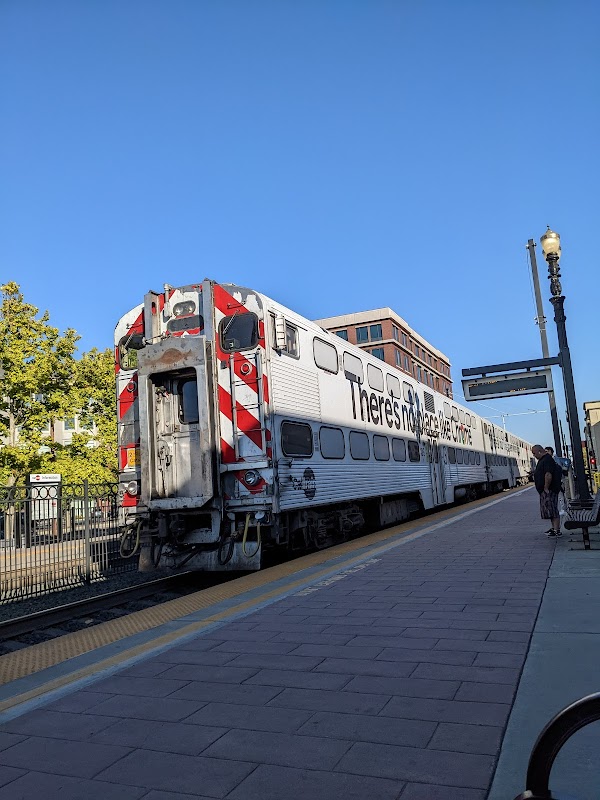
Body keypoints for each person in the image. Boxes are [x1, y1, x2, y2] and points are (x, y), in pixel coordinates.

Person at [532, 444, 563, 537]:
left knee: (552, 509)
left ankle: (557, 530)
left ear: (539, 451)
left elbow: (548, 474)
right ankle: (554, 528)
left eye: (534, 453)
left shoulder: (547, 460)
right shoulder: (544, 460)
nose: (534, 455)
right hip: (547, 490)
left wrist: (546, 487)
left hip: (550, 490)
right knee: (550, 510)